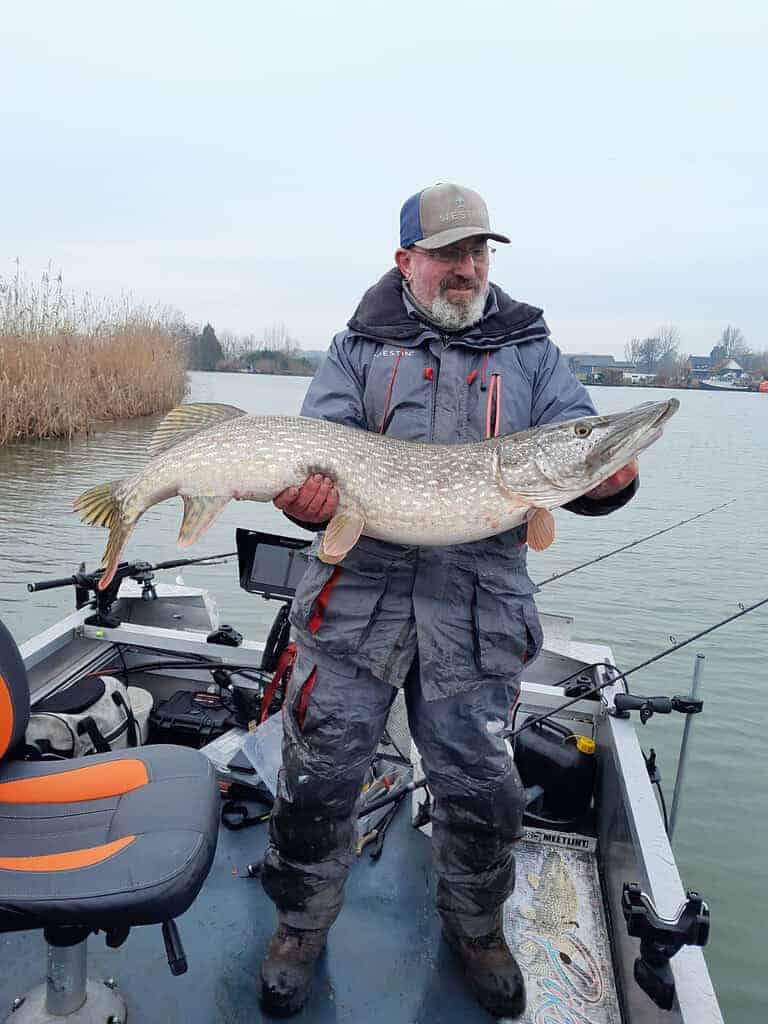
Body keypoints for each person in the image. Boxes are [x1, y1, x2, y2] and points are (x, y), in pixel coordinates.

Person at [259, 183, 638, 1018]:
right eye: (449, 254)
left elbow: (578, 443)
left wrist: (610, 478)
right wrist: (302, 501)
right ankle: (299, 923)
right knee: (319, 778)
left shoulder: (530, 350)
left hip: (478, 611)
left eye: (479, 253)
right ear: (406, 262)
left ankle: (475, 928)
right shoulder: (358, 347)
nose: (468, 269)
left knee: (481, 791)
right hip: (354, 608)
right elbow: (306, 460)